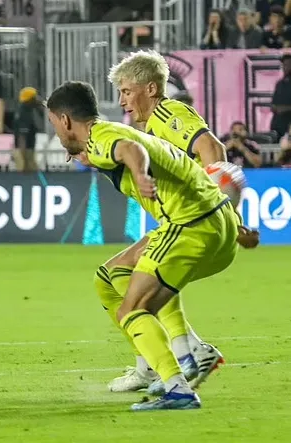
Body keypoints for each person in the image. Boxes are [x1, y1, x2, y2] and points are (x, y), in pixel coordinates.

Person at [46, 80, 242, 410]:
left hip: (189, 225)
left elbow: (128, 151)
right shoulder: (104, 137)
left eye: (54, 124)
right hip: (216, 222)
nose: (55, 133)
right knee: (114, 276)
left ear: (65, 121)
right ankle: (179, 356)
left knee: (132, 308)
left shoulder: (102, 137)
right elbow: (122, 151)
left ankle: (178, 380)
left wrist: (139, 174)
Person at [98, 49, 259, 396]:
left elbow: (212, 150)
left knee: (120, 275)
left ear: (152, 89)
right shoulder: (150, 126)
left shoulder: (168, 113)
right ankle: (174, 356)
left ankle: (174, 358)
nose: (122, 101)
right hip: (180, 220)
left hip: (192, 221)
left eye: (127, 91)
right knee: (136, 275)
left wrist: (225, 213)